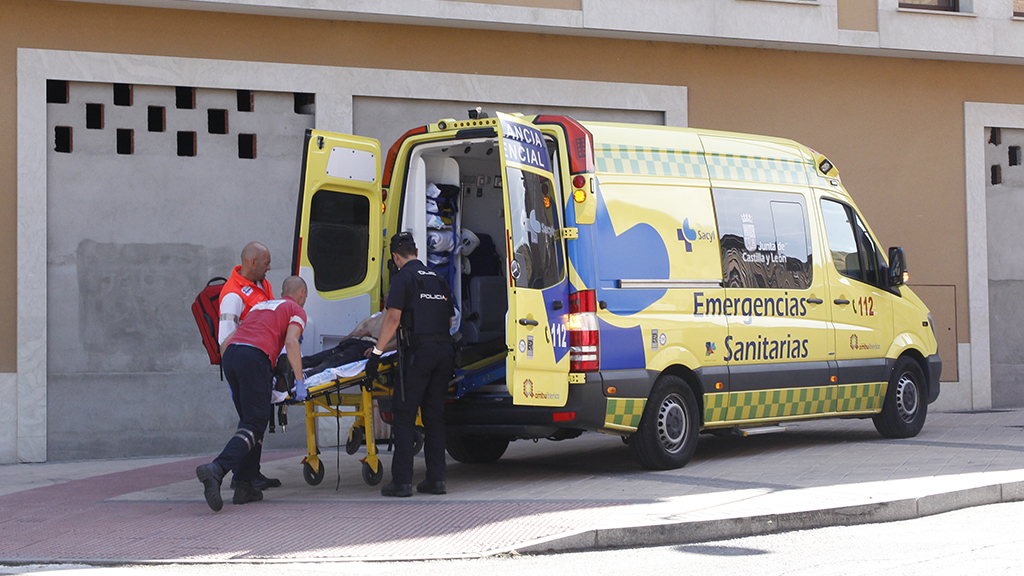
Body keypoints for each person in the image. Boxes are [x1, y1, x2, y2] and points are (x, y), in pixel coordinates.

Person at [196, 276, 308, 511]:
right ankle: (216, 470)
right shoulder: (295, 310)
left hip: (232, 355)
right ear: (302, 294)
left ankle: (244, 484)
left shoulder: (261, 306)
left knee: (247, 421)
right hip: (254, 358)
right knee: (256, 423)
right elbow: (291, 342)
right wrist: (299, 382)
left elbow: (238, 333)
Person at [366, 232, 455, 497]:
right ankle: (436, 480)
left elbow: (392, 318)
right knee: (434, 417)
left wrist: (377, 352)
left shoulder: (403, 279)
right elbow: (449, 322)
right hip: (444, 351)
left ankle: (402, 482)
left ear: (395, 257)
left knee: (404, 415)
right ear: (416, 251)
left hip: (419, 354)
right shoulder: (438, 279)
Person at [217, 241, 280, 491]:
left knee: (255, 420)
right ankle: (240, 475)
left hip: (260, 362)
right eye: (266, 263)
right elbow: (225, 337)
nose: (269, 268)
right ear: (252, 262)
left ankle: (251, 473)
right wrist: (235, 378)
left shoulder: (262, 286)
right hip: (245, 364)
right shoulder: (233, 294)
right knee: (251, 421)